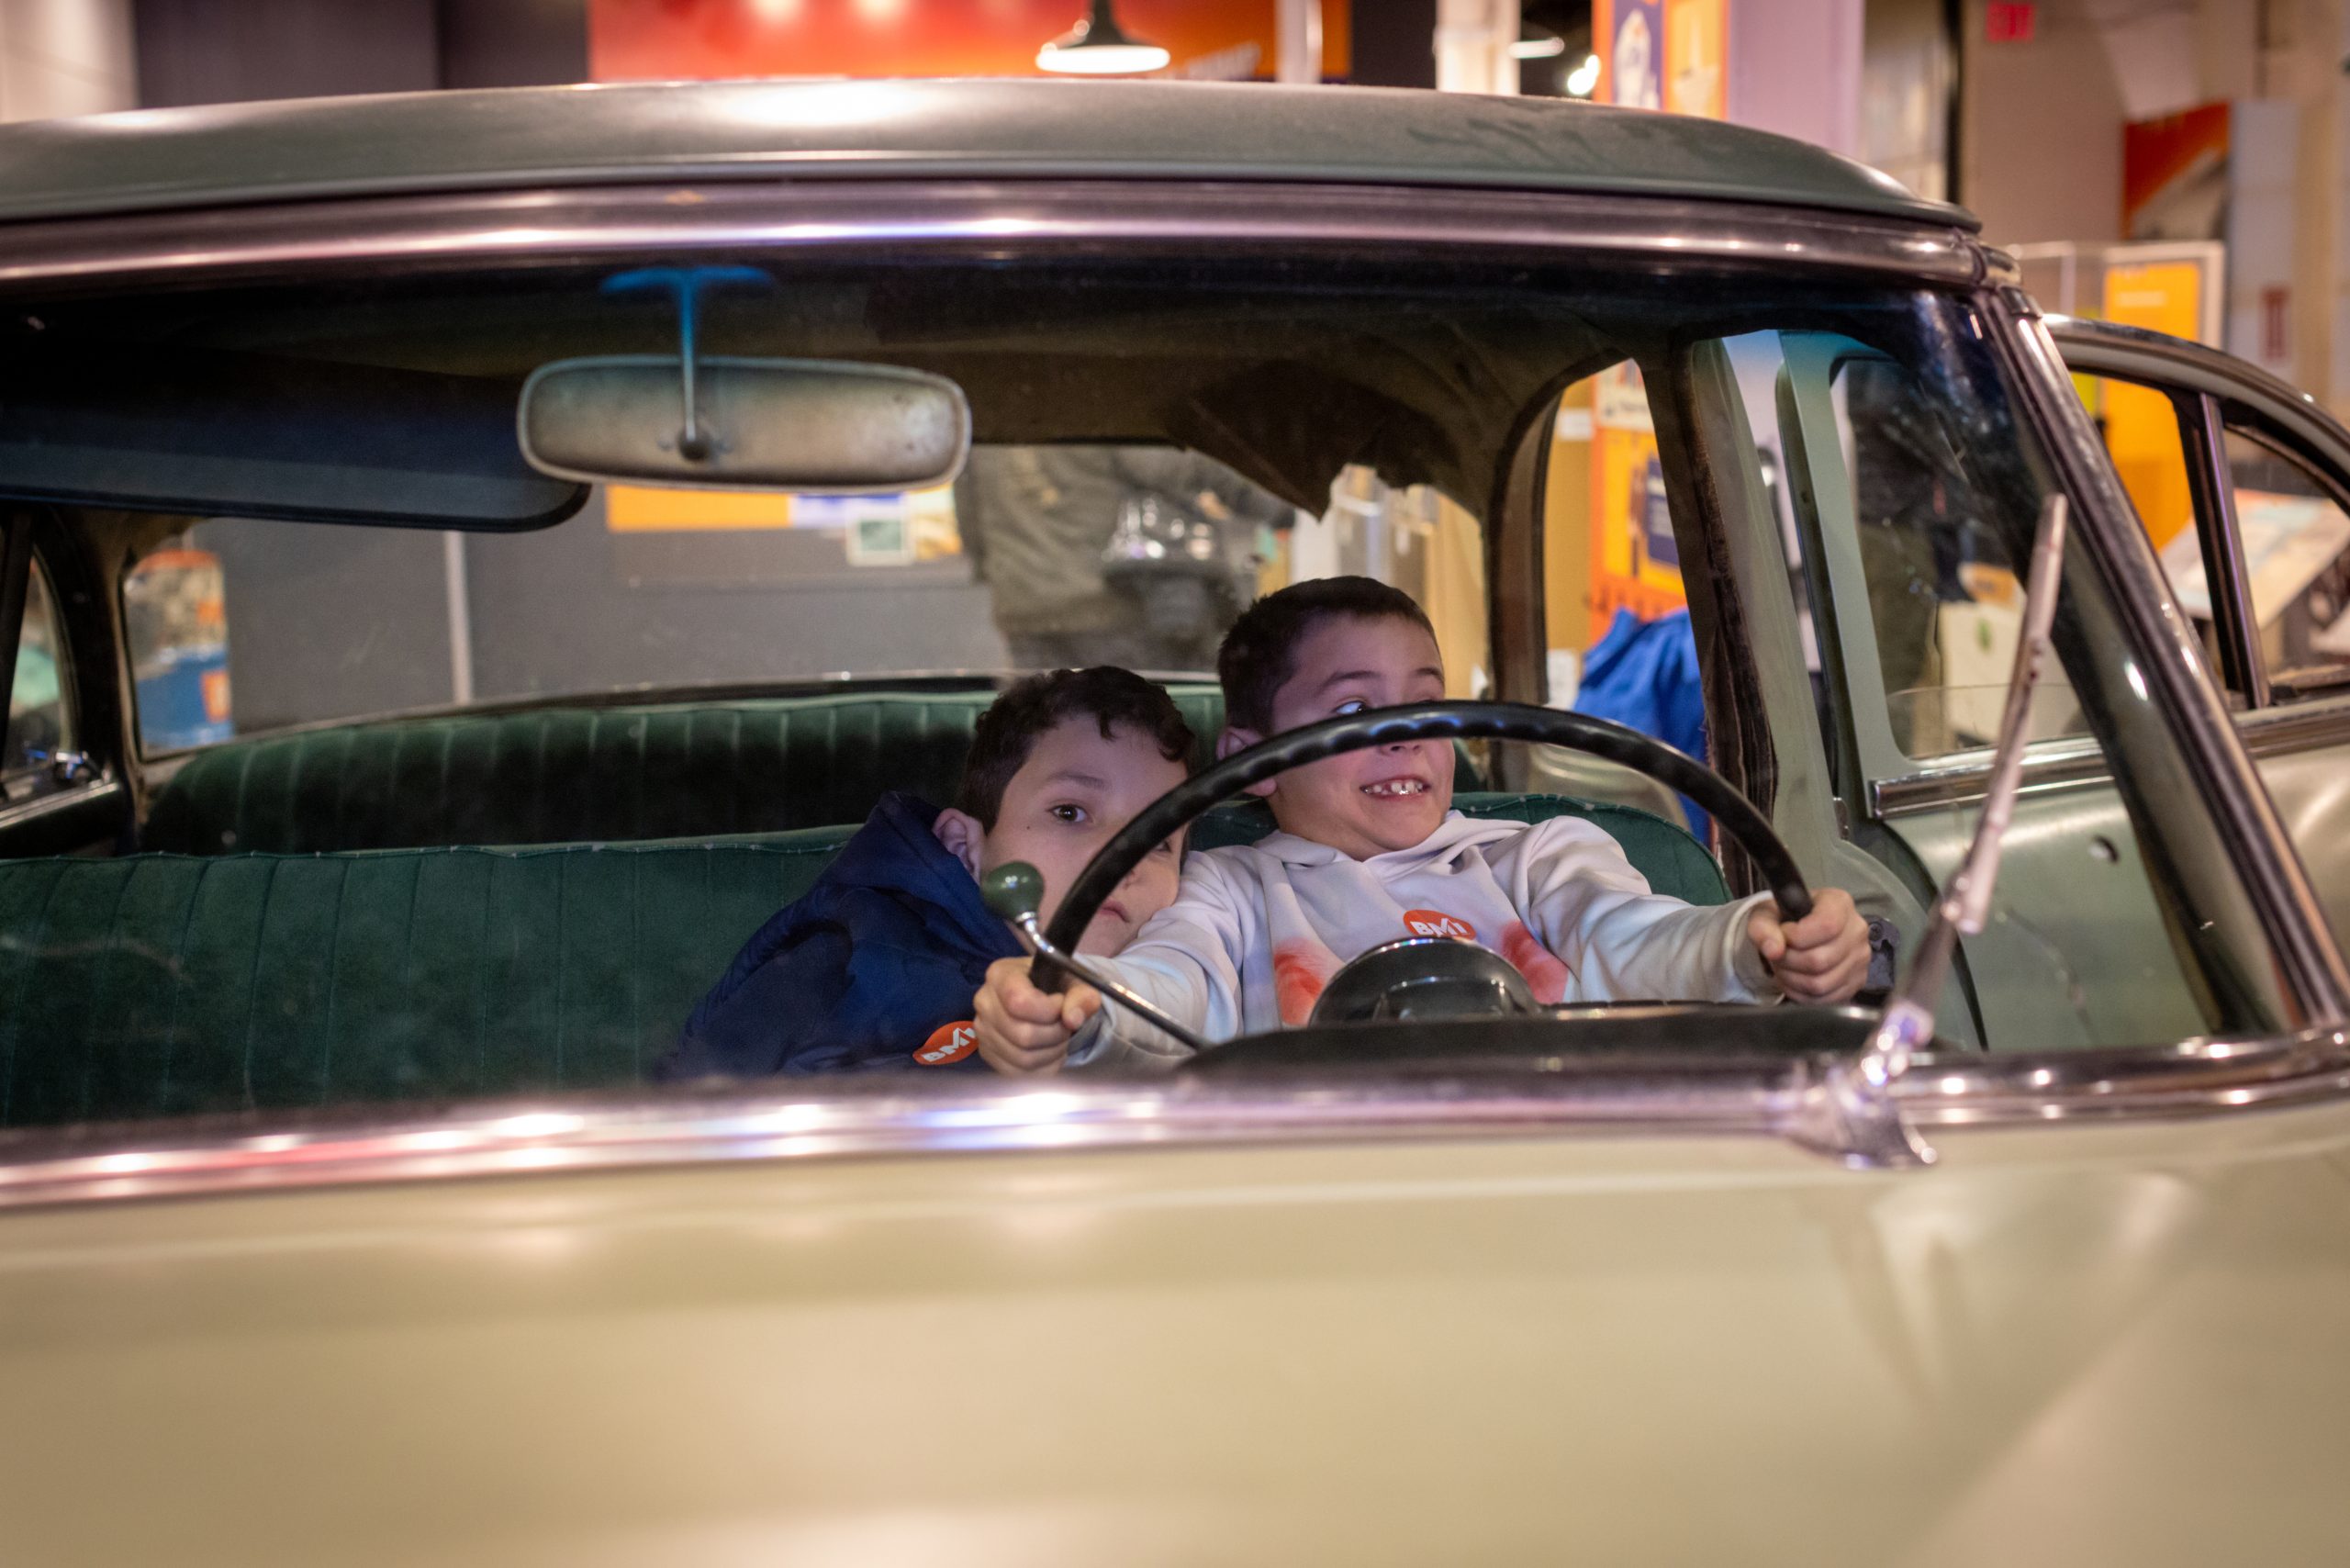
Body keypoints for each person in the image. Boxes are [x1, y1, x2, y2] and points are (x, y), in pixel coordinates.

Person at [971, 577, 1872, 1074]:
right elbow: (1167, 986)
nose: (1403, 736)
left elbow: (1636, 937)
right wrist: (1079, 1009)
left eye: (1425, 703)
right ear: (1259, 754)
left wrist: (1754, 943)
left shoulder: (1540, 854)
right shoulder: (1231, 888)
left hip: (1563, 1172)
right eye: (1354, 710)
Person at [659, 666, 1194, 1079]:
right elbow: (693, 1134)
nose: (1121, 857)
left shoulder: (1192, 986)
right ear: (965, 847)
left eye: (1157, 839)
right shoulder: (847, 957)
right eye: (1070, 813)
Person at [954, 444, 1295, 671]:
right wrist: (1271, 501)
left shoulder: (989, 419)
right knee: (1134, 732)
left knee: (1045, 732)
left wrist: (998, 578)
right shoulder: (1092, 400)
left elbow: (969, 518)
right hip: (1108, 608)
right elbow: (1174, 464)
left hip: (1024, 612)